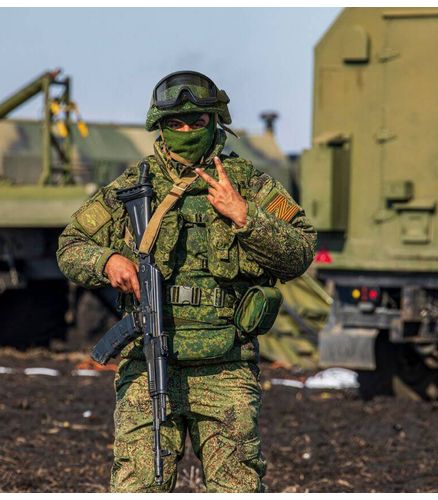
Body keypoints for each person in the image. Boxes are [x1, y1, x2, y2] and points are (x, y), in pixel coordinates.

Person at [56, 70, 316, 492]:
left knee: (237, 487)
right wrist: (108, 262)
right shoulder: (132, 188)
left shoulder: (248, 183)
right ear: (159, 127)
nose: (185, 131)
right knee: (140, 484)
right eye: (175, 124)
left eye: (196, 122)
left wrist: (244, 216)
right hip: (148, 363)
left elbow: (301, 250)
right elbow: (70, 246)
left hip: (226, 367)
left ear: (215, 122)